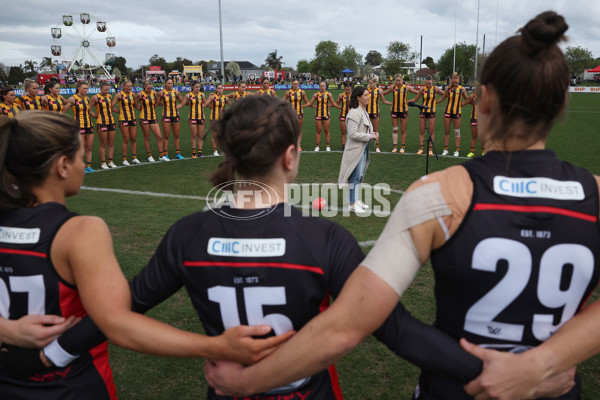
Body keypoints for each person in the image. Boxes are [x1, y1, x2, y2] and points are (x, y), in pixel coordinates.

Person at [205, 11, 594, 400]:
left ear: (484, 99)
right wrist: (541, 364)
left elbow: (356, 321)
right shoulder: (593, 195)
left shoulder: (440, 192)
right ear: (561, 104)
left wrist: (248, 383)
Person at [41, 96, 499, 399]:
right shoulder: (324, 238)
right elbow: (394, 328)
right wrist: (487, 370)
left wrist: (50, 353)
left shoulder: (187, 234)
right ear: (290, 156)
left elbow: (120, 311)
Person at [0, 111, 291, 399]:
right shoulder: (79, 232)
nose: (82, 163)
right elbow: (115, 322)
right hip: (68, 386)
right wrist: (216, 347)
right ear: (63, 166)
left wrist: (8, 329)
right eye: (79, 156)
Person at [338, 86, 378, 214]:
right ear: (358, 97)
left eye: (368, 95)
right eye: (365, 95)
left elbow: (364, 129)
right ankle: (352, 204)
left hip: (363, 148)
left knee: (360, 176)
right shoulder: (354, 113)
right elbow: (353, 133)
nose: (368, 97)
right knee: (355, 177)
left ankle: (355, 199)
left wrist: (373, 134)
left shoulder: (363, 110)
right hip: (356, 149)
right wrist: (370, 136)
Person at [408, 75, 445, 155]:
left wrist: (436, 102)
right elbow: (415, 99)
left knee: (431, 131)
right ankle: (421, 148)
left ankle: (430, 149)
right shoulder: (422, 89)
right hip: (423, 111)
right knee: (422, 131)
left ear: (432, 82)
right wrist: (406, 101)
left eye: (429, 83)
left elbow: (444, 95)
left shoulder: (435, 89)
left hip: (432, 111)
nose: (428, 85)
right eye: (427, 83)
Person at [64, 81, 96, 173]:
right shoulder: (72, 99)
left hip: (89, 124)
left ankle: (88, 166)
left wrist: (95, 115)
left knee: (89, 147)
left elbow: (89, 111)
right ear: (78, 88)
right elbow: (64, 111)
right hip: (79, 126)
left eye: (87, 88)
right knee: (81, 147)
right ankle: (80, 167)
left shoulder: (87, 99)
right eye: (84, 88)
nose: (86, 90)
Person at [382, 75, 419, 153]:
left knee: (403, 130)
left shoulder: (407, 88)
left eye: (399, 80)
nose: (397, 82)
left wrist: (411, 100)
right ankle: (395, 147)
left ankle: (402, 147)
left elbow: (418, 93)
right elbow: (384, 93)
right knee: (395, 130)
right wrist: (379, 91)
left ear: (402, 80)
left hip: (403, 111)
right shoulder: (392, 87)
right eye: (396, 80)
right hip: (394, 111)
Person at [303, 81, 341, 151]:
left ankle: (328, 146)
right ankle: (317, 146)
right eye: (321, 86)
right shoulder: (316, 95)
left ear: (325, 87)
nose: (322, 87)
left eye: (323, 86)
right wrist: (301, 106)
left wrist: (342, 108)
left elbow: (333, 104)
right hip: (318, 114)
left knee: (326, 130)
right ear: (319, 87)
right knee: (318, 130)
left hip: (326, 114)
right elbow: (310, 103)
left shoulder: (329, 94)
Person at [134, 80, 166, 162]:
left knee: (159, 136)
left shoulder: (154, 93)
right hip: (144, 118)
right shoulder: (139, 94)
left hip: (153, 117)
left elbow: (157, 103)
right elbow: (135, 103)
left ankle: (161, 156)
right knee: (147, 137)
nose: (150, 90)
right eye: (148, 88)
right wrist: (140, 109)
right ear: (144, 87)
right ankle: (149, 155)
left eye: (151, 88)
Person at [438, 73, 469, 157]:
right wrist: (434, 102)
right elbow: (442, 98)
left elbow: (467, 99)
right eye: (453, 80)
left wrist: (461, 104)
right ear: (452, 80)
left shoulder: (462, 89)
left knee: (457, 131)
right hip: (447, 112)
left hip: (457, 113)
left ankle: (457, 150)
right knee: (446, 131)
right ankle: (445, 149)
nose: (455, 82)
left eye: (456, 80)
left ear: (459, 80)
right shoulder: (448, 88)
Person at [111, 79, 140, 165]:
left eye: (131, 86)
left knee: (133, 138)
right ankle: (124, 159)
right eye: (127, 86)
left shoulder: (133, 94)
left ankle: (134, 158)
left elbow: (135, 105)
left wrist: (141, 109)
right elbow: (111, 106)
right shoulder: (119, 95)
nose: (129, 88)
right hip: (123, 119)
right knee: (126, 138)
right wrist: (119, 112)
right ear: (123, 86)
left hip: (132, 118)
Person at [89, 81, 117, 169]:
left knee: (111, 143)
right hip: (101, 122)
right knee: (103, 144)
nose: (107, 91)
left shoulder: (110, 96)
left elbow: (111, 108)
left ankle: (110, 161)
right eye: (105, 90)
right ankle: (103, 163)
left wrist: (120, 111)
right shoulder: (95, 97)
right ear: (100, 89)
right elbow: (88, 109)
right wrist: (94, 115)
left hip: (111, 121)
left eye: (108, 90)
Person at [178, 80, 206, 158]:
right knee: (194, 135)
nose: (198, 88)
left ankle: (200, 152)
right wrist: (174, 108)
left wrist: (211, 98)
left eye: (199, 87)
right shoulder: (188, 95)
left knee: (200, 135)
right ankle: (194, 153)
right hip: (192, 117)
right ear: (192, 87)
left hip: (201, 117)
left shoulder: (202, 95)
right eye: (196, 87)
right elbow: (182, 104)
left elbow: (205, 103)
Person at [158, 78, 184, 160]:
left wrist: (177, 107)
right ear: (165, 84)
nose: (170, 85)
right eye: (168, 83)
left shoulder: (176, 92)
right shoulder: (161, 93)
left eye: (171, 83)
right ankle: (165, 154)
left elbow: (182, 102)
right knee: (166, 136)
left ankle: (178, 154)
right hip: (166, 116)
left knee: (176, 135)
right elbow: (156, 103)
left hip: (175, 116)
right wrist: (164, 104)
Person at [203, 84, 231, 156]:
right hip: (214, 119)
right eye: (219, 88)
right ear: (216, 89)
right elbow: (205, 105)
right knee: (215, 135)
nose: (220, 90)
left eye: (221, 88)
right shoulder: (212, 97)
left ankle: (222, 150)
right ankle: (215, 151)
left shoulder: (226, 98)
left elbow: (232, 106)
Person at [366, 78, 392, 153]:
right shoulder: (366, 90)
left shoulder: (379, 91)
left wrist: (392, 103)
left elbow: (384, 101)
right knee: (366, 130)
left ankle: (377, 146)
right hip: (366, 113)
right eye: (369, 83)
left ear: (375, 83)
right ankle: (365, 145)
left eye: (371, 83)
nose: (370, 85)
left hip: (375, 112)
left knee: (376, 130)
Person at [283, 79, 309, 152]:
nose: (295, 85)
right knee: (290, 129)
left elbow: (307, 103)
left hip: (299, 113)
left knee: (299, 129)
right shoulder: (288, 92)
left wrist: (301, 107)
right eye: (294, 84)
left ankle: (298, 145)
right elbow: (282, 102)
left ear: (298, 85)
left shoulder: (302, 92)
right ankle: (290, 145)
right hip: (291, 114)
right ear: (292, 84)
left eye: (296, 84)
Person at [461, 91, 484, 157]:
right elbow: (464, 103)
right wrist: (455, 103)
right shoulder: (472, 96)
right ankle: (472, 151)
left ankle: (484, 151)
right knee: (474, 136)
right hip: (474, 118)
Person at [334, 82, 352, 151]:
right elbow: (336, 104)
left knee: (351, 132)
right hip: (343, 115)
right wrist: (341, 108)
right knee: (343, 131)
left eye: (349, 89)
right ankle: (343, 146)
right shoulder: (341, 95)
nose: (348, 91)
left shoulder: (353, 95)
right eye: (346, 89)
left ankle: (350, 146)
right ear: (344, 89)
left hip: (351, 116)